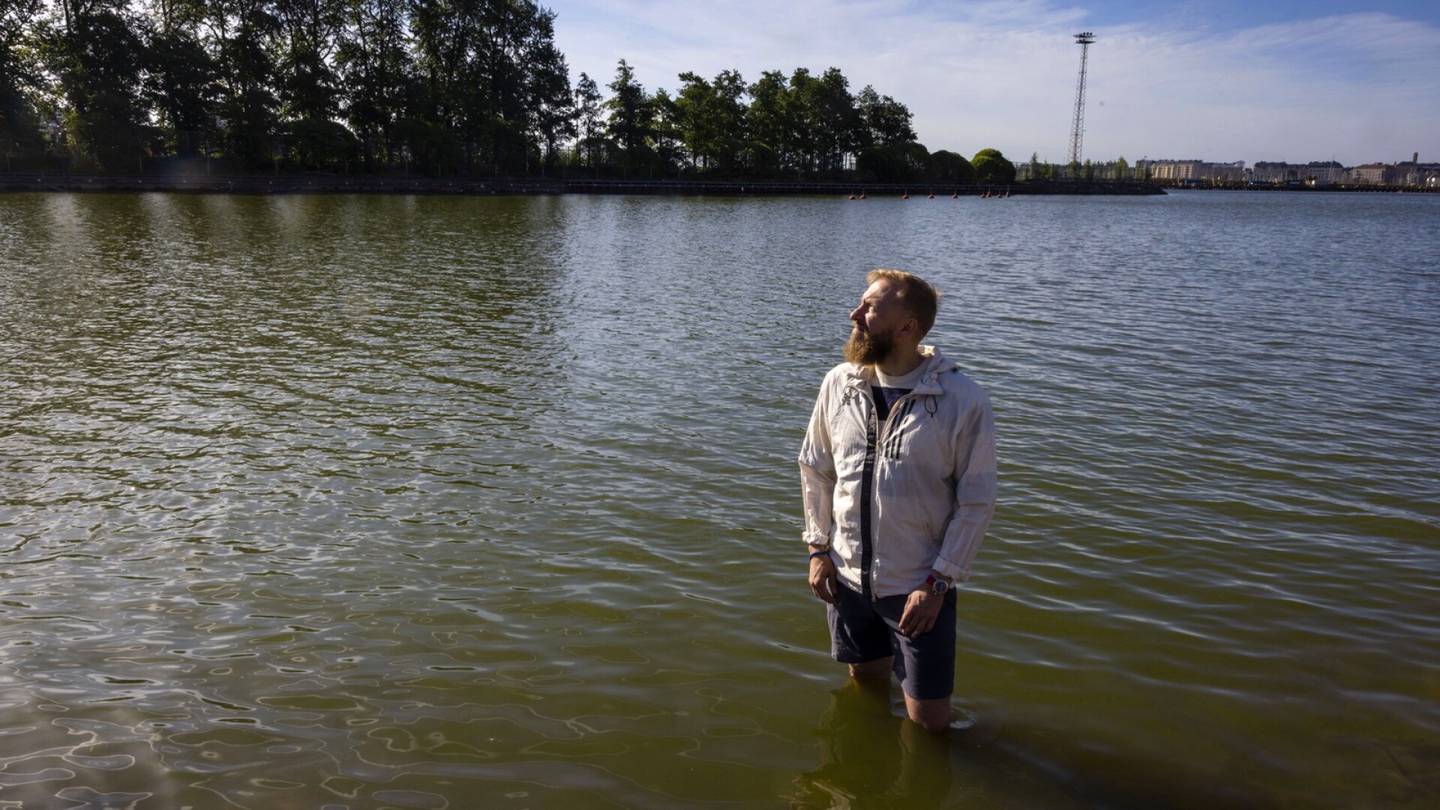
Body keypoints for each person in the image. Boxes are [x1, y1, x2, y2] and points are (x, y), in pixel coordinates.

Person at [798, 268, 997, 733]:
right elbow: (816, 469)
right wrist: (817, 548)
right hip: (846, 581)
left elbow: (976, 502)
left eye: (870, 307)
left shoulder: (961, 400)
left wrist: (938, 583)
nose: (854, 314)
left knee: (929, 725)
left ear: (908, 327)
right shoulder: (839, 383)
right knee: (864, 691)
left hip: (918, 590)